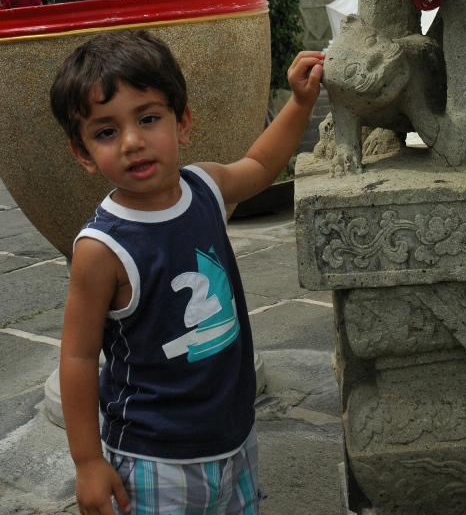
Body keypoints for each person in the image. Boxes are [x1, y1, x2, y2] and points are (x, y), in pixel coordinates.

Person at [50, 30, 324, 515]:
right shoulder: (103, 249)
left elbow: (260, 164)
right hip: (154, 460)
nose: (132, 142)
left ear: (182, 122)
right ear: (83, 153)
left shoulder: (205, 187)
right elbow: (77, 357)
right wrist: (88, 461)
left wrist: (300, 102)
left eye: (148, 118)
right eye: (106, 132)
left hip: (234, 438)